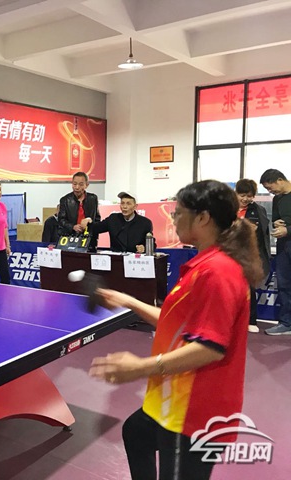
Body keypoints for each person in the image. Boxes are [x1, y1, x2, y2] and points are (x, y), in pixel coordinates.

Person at [89, 180, 262, 480]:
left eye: (179, 213)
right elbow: (179, 324)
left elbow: (209, 347)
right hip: (175, 399)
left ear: (203, 218)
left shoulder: (218, 272)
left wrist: (139, 368)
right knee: (136, 433)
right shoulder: (205, 264)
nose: (173, 219)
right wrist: (128, 301)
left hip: (193, 412)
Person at [235, 179, 271, 333]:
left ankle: (251, 320)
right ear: (236, 193)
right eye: (242, 195)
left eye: (249, 196)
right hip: (227, 254)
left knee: (249, 288)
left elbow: (264, 235)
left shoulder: (259, 210)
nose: (245, 199)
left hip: (248, 255)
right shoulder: (226, 209)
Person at [260, 168, 291, 335]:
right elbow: (276, 220)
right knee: (284, 284)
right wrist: (277, 224)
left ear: (280, 180)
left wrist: (288, 229)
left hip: (287, 237)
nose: (270, 191)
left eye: (270, 187)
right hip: (283, 246)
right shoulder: (277, 199)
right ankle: (287, 322)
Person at [81, 192, 154, 253]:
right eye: (122, 203)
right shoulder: (113, 219)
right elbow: (96, 228)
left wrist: (144, 248)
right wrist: (88, 221)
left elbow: (152, 244)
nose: (124, 206)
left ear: (135, 206)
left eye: (128, 204)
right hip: (116, 259)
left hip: (134, 260)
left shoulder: (145, 223)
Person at [57, 172, 100, 246]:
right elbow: (61, 220)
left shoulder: (93, 199)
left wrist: (89, 223)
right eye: (74, 184)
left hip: (89, 239)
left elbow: (97, 218)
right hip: (70, 239)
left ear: (87, 185)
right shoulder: (65, 200)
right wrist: (73, 227)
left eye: (81, 184)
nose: (77, 187)